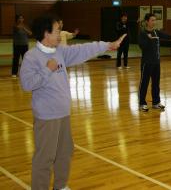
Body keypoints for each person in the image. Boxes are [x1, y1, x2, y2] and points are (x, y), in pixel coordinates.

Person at [19, 14, 125, 190]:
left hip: (63, 114)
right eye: (57, 30)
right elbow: (27, 84)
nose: (60, 34)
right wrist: (47, 70)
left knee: (64, 152)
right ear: (46, 33)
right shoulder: (32, 57)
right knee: (45, 157)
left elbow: (83, 49)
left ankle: (60, 186)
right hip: (47, 117)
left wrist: (108, 45)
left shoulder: (59, 51)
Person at [138, 13, 171, 112]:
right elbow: (142, 46)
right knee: (144, 83)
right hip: (147, 62)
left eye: (155, 20)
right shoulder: (143, 33)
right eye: (152, 20)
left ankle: (156, 102)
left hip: (156, 62)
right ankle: (142, 103)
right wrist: (148, 39)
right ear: (147, 21)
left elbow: (166, 35)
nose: (154, 22)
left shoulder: (156, 32)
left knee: (156, 83)